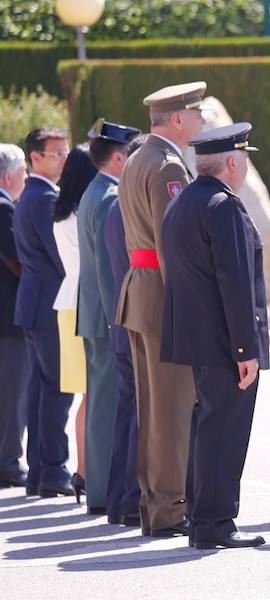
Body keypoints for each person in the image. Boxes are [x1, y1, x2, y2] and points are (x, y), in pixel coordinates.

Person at [160, 123, 267, 550]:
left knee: (208, 425)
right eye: (244, 159)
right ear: (232, 162)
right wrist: (245, 348)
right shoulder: (223, 205)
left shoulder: (185, 200)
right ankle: (216, 522)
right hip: (226, 342)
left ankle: (201, 517)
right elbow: (235, 282)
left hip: (199, 337)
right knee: (224, 429)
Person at [116, 81, 206, 537]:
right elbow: (175, 244)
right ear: (176, 119)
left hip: (140, 291)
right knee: (171, 409)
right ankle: (170, 508)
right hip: (164, 296)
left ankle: (155, 504)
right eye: (196, 113)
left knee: (152, 408)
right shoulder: (168, 164)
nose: (202, 120)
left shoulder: (137, 157)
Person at [76, 119, 141, 516]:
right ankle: (102, 491)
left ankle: (101, 489)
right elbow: (107, 269)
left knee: (104, 401)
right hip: (106, 315)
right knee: (106, 406)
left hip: (97, 313)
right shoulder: (109, 197)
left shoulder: (95, 191)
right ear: (118, 158)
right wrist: (119, 317)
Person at [13, 127, 75, 499]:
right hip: (48, 307)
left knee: (42, 388)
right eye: (57, 154)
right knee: (56, 388)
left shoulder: (34, 194)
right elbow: (61, 255)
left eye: (66, 153)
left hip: (36, 305)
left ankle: (41, 469)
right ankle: (52, 469)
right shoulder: (42, 198)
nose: (64, 160)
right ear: (35, 157)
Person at [104, 133, 147, 528]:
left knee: (126, 415)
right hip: (134, 320)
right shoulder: (127, 208)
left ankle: (120, 501)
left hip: (121, 319)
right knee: (137, 416)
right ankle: (131, 500)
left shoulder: (118, 206)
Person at [52, 144, 96, 504]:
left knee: (86, 393)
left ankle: (83, 469)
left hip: (67, 299)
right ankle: (86, 468)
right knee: (93, 392)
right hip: (85, 300)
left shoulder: (61, 213)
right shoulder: (84, 212)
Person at [0, 143, 29, 489]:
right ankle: (8, 463)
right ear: (8, 176)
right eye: (23, 173)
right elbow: (16, 260)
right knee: (12, 394)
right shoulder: (5, 208)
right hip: (8, 316)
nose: (26, 178)